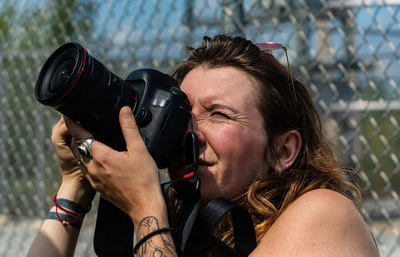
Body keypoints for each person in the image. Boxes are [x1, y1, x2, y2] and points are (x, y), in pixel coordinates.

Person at [28, 35, 379, 256]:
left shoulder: (324, 214)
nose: (188, 133)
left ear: (283, 151)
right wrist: (75, 189)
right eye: (182, 115)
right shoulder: (182, 221)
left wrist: (145, 208)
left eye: (219, 115)